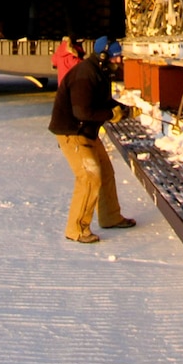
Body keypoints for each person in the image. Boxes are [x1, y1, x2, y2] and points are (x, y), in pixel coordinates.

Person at [49, 38, 135, 244]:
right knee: (89, 176)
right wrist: (110, 114)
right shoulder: (86, 75)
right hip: (72, 132)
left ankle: (110, 217)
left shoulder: (99, 72)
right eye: (116, 55)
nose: (120, 58)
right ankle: (76, 229)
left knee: (105, 171)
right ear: (104, 56)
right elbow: (82, 111)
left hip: (86, 132)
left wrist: (123, 108)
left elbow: (100, 102)